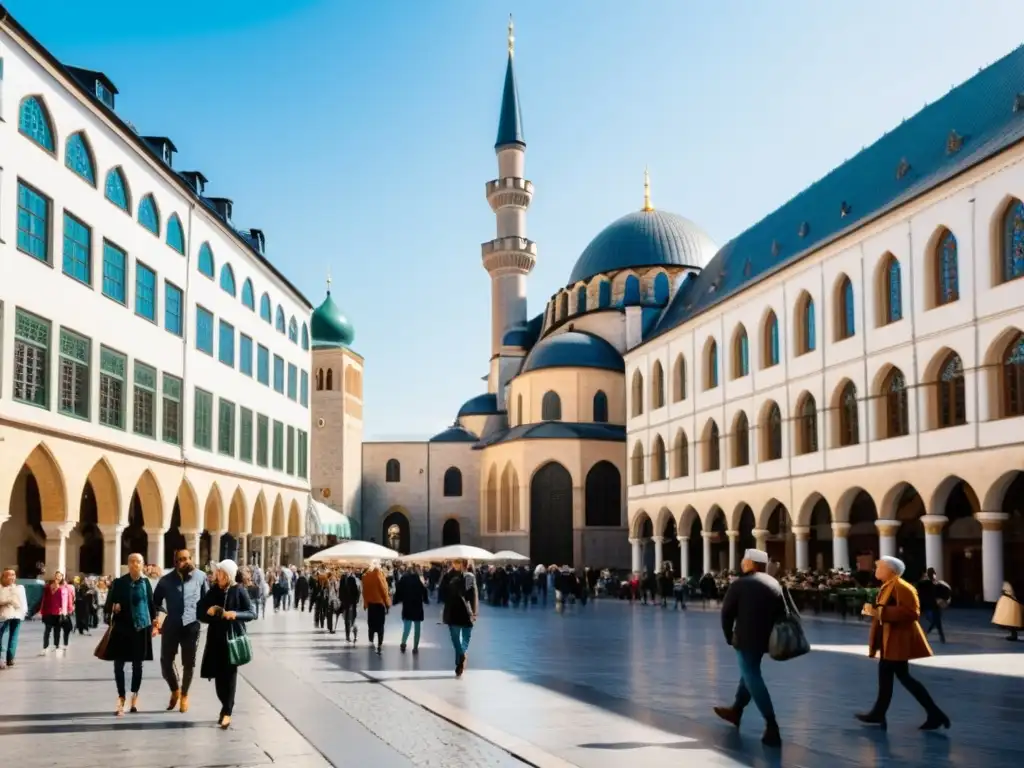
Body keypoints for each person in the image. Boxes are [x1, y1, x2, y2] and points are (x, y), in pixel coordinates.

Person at [856, 555, 950, 731]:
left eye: (880, 567)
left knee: (900, 678)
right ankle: (880, 713)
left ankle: (935, 714)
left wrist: (878, 612)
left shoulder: (902, 587)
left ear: (890, 570)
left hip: (897, 641)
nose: (876, 570)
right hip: (889, 641)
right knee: (891, 677)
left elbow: (911, 613)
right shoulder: (888, 586)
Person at [713, 548, 785, 747]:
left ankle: (772, 724)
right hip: (765, 639)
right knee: (749, 672)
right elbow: (783, 612)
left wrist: (729, 636)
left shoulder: (741, 584)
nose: (742, 561)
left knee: (752, 675)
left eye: (745, 559)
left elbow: (727, 613)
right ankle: (736, 710)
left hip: (745, 638)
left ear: (752, 563)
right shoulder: (774, 583)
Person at [197, 560, 256, 729]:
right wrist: (208, 613)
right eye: (218, 572)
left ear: (229, 575)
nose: (218, 575)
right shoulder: (213, 591)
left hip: (232, 639)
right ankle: (225, 705)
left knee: (229, 676)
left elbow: (252, 613)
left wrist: (234, 614)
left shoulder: (239, 590)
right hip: (215, 639)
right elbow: (200, 611)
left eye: (221, 573)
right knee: (218, 677)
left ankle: (227, 711)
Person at [102, 553, 158, 716]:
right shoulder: (119, 583)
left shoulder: (145, 583)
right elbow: (108, 604)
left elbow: (150, 603)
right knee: (118, 665)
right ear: (128, 564)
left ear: (142, 564)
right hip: (122, 628)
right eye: (132, 561)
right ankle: (121, 697)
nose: (135, 564)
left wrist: (155, 622)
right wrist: (113, 608)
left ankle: (134, 696)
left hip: (141, 628)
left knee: (137, 665)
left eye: (138, 562)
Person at [153, 549, 208, 714]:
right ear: (176, 562)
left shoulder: (201, 577)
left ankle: (184, 694)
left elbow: (207, 600)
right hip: (171, 625)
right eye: (182, 559)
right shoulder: (165, 581)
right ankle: (175, 689)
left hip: (192, 626)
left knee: (188, 663)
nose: (186, 561)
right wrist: (159, 616)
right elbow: (155, 602)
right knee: (165, 661)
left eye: (188, 558)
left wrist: (206, 615)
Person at [441, 558, 478, 677]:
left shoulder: (449, 576)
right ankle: (460, 660)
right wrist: (474, 612)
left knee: (456, 638)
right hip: (465, 611)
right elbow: (472, 594)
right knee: (465, 637)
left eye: (455, 562)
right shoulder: (469, 576)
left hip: (453, 611)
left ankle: (460, 660)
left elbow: (442, 594)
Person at [395, 565, 429, 654]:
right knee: (417, 628)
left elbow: (398, 589)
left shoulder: (404, 579)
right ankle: (415, 647)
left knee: (407, 627)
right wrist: (425, 600)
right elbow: (424, 590)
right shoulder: (418, 579)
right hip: (417, 606)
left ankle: (403, 643)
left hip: (407, 606)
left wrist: (397, 600)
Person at [39, 570, 74, 656]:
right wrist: (41, 610)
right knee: (47, 630)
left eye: (60, 576)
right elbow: (44, 599)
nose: (58, 577)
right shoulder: (47, 587)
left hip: (59, 612)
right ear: (54, 577)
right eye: (56, 576)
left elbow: (68, 600)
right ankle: (45, 647)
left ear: (62, 577)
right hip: (48, 612)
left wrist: (69, 609)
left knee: (57, 630)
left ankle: (56, 645)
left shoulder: (65, 588)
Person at [362, 560, 391, 654]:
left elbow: (364, 592)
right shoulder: (379, 576)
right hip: (379, 604)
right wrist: (387, 604)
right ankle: (379, 644)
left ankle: (371, 641)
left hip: (370, 604)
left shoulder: (366, 577)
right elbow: (384, 591)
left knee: (371, 623)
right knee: (380, 625)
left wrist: (365, 603)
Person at [916, 567, 951, 644]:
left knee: (935, 622)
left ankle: (927, 635)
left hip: (932, 606)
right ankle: (938, 636)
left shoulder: (931, 584)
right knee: (935, 622)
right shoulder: (929, 584)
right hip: (931, 606)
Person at [0, 567, 26, 669]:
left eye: (13, 575)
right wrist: (10, 600)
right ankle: (3, 660)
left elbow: (23, 603)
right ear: (3, 577)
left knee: (13, 637)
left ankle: (10, 658)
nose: (12, 577)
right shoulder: (1, 587)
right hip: (5, 615)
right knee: (3, 637)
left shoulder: (20, 588)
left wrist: (23, 613)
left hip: (16, 615)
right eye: (9, 575)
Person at [341, 569, 361, 642]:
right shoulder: (353, 580)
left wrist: (343, 601)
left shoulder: (343, 579)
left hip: (347, 604)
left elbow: (340, 592)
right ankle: (353, 636)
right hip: (351, 604)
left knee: (348, 621)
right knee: (352, 620)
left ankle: (349, 636)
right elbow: (357, 593)